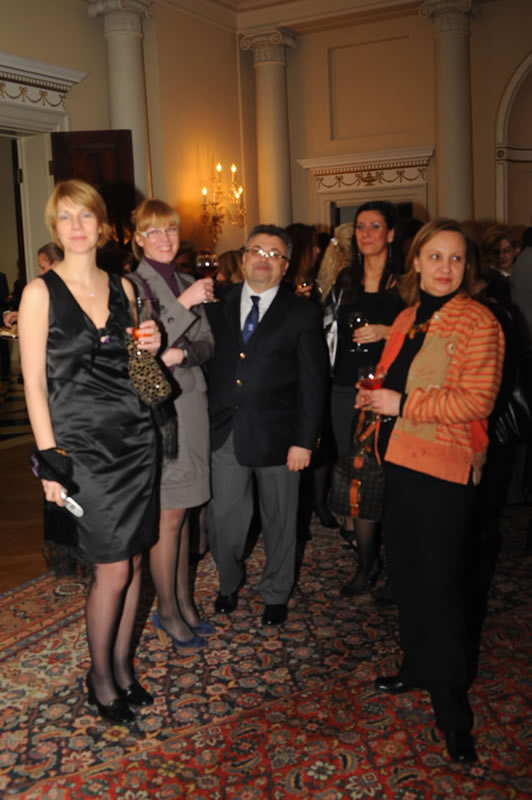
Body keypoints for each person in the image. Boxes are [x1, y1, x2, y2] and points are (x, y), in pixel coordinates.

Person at [18, 179, 161, 724]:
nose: (76, 227)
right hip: (82, 450)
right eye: (65, 217)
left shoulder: (124, 287)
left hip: (135, 440)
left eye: (85, 216)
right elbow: (35, 384)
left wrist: (150, 347)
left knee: (136, 559)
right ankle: (99, 677)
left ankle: (122, 667)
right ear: (55, 228)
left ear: (102, 225)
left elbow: (138, 372)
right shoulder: (39, 293)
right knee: (112, 569)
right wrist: (50, 460)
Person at [363, 218, 504, 764]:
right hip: (399, 461)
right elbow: (390, 376)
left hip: (444, 470)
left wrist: (402, 404)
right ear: (416, 261)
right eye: (435, 256)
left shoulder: (479, 321)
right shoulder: (406, 317)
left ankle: (453, 711)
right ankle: (416, 665)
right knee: (406, 575)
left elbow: (477, 401)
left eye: (456, 258)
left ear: (468, 267)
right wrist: (374, 394)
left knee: (443, 587)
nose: (445, 268)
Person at [205, 224, 329, 626]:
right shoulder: (215, 302)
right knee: (224, 521)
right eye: (257, 251)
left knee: (281, 521)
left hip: (281, 438)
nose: (264, 259)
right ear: (243, 259)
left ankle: (276, 591)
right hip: (225, 432)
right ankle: (229, 580)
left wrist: (304, 440)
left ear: (285, 266)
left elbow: (313, 383)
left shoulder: (302, 312)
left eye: (274, 255)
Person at [130, 198, 215, 648]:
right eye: (154, 231)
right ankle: (166, 610)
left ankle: (182, 600)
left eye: (170, 230)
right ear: (138, 239)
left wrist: (183, 353)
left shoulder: (186, 280)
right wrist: (183, 303)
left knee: (185, 512)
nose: (164, 238)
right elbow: (139, 349)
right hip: (161, 409)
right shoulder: (131, 285)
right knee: (169, 514)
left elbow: (207, 342)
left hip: (193, 402)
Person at [329, 201, 404, 596]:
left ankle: (396, 569)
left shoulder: (407, 281)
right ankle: (366, 564)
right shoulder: (346, 279)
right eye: (360, 227)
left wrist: (386, 331)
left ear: (391, 233)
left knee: (389, 478)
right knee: (355, 478)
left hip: (390, 390)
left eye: (376, 226)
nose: (366, 234)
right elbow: (329, 329)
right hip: (346, 388)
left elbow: (425, 331)